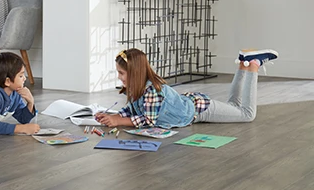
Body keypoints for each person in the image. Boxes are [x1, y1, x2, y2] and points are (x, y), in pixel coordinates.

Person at [95, 48, 279, 129]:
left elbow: (147, 120)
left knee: (246, 114)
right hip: (192, 105)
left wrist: (118, 121)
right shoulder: (136, 88)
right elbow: (133, 109)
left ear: (134, 73)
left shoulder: (151, 91)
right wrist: (114, 116)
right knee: (234, 104)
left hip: (201, 110)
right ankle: (244, 62)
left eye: (121, 73)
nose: (119, 77)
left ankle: (253, 65)